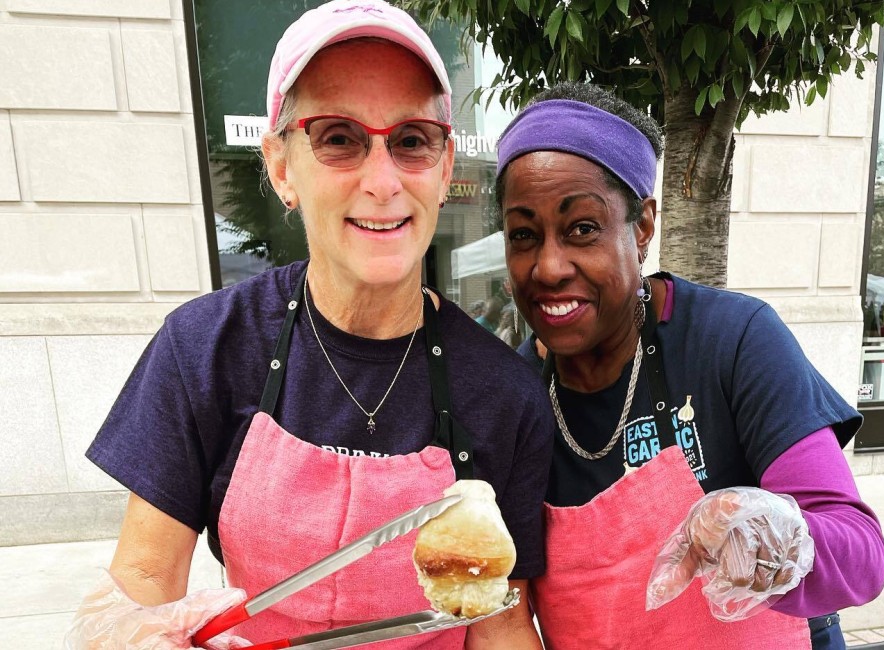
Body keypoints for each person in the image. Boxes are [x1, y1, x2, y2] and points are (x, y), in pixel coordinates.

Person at [65, 2, 552, 648]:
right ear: (280, 166)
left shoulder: (505, 393)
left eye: (411, 140)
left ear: (443, 169)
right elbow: (145, 580)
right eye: (338, 138)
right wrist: (131, 636)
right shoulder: (205, 349)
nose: (382, 181)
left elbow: (500, 621)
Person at [496, 82, 884, 650]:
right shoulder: (509, 398)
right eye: (523, 235)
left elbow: (863, 556)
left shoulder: (733, 341)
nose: (549, 267)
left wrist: (774, 541)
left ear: (642, 225)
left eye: (582, 228)